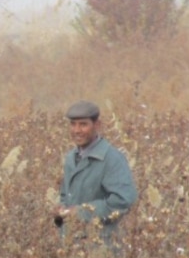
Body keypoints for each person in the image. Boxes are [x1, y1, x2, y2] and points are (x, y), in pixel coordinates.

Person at [52, 100, 138, 247]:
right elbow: (66, 196)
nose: (77, 130)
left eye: (83, 124)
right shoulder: (70, 158)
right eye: (73, 124)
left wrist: (79, 213)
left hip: (103, 247)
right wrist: (61, 210)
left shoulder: (112, 159)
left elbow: (123, 201)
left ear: (97, 125)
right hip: (72, 245)